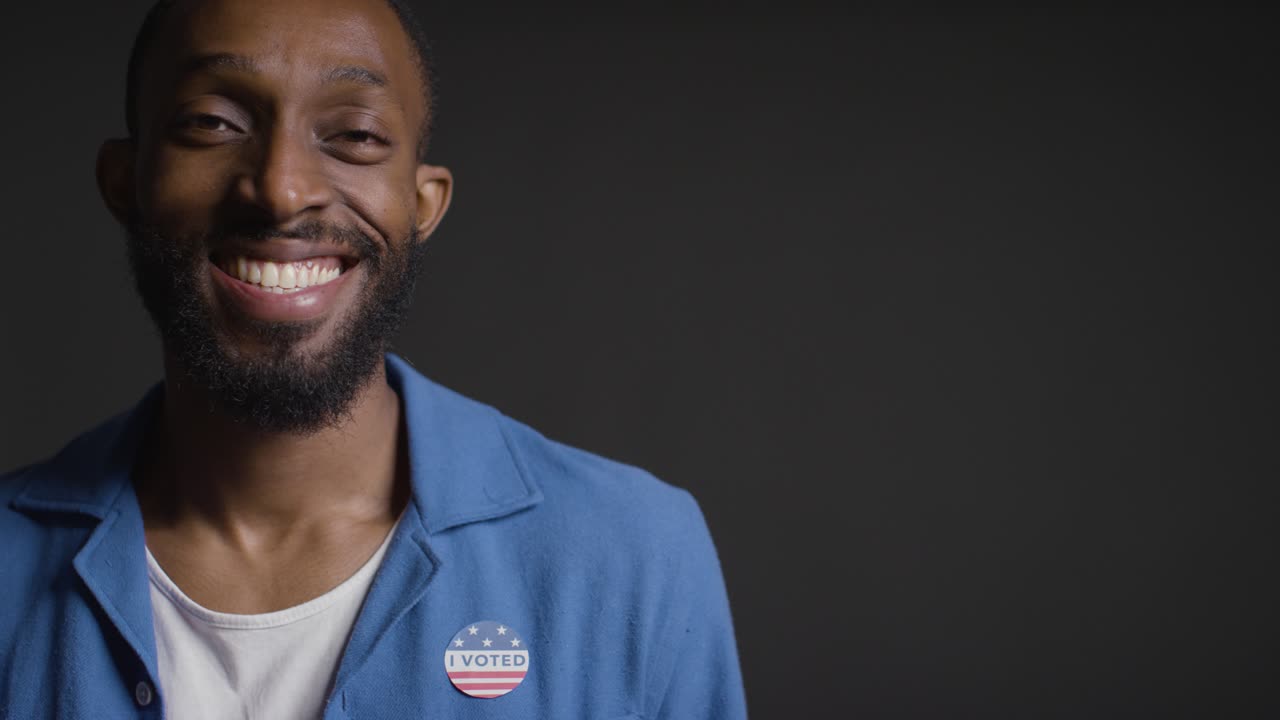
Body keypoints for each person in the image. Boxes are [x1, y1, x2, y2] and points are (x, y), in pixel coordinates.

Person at [0, 0, 746, 717]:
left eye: (354, 136)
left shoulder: (632, 554)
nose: (283, 189)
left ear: (423, 205)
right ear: (124, 182)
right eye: (213, 123)